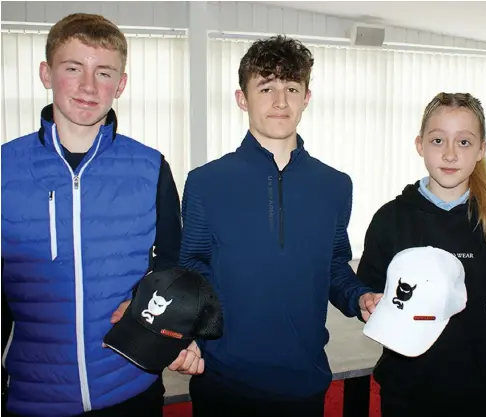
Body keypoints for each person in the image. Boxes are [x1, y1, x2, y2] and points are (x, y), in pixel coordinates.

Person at [1, 13, 200, 417]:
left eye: (104, 73)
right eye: (73, 68)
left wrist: (159, 313)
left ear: (121, 84)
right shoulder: (5, 168)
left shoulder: (150, 167)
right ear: (46, 73)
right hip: (34, 395)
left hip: (131, 388)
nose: (89, 87)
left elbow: (172, 266)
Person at [179, 35, 382, 417]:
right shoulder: (205, 182)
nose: (280, 101)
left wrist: (359, 297)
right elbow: (191, 267)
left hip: (303, 381)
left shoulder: (335, 185)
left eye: (292, 87)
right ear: (242, 98)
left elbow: (336, 265)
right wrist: (188, 334)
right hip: (223, 381)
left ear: (307, 97)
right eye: (266, 87)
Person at [357, 92, 486, 416]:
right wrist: (367, 301)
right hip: (409, 395)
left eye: (465, 142)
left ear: (482, 150)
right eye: (438, 140)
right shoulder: (391, 219)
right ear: (420, 145)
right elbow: (367, 291)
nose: (451, 153)